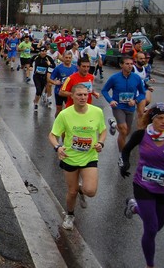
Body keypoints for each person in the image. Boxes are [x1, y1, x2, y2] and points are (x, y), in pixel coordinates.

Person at [120, 103, 164, 268]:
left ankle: (135, 207)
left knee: (158, 226)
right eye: (160, 118)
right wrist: (126, 163)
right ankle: (150, 265)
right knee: (151, 229)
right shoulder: (141, 135)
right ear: (152, 118)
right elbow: (126, 149)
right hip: (142, 185)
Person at [48, 84, 107, 230]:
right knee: (72, 191)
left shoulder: (97, 112)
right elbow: (52, 135)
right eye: (79, 95)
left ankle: (83, 190)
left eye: (85, 94)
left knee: (91, 191)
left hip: (89, 156)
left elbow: (103, 130)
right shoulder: (64, 114)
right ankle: (70, 215)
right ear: (72, 96)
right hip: (70, 157)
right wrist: (58, 147)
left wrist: (100, 142)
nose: (83, 97)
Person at [102, 55, 146, 165]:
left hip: (130, 108)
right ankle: (122, 155)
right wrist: (111, 100)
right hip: (118, 107)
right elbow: (104, 90)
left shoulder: (136, 78)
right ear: (121, 65)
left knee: (125, 133)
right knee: (123, 129)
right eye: (127, 64)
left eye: (131, 64)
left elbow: (142, 93)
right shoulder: (114, 78)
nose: (130, 66)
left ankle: (113, 125)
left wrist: (135, 101)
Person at [49, 50, 77, 118]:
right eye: (66, 57)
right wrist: (55, 82)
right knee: (59, 110)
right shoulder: (58, 68)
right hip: (59, 92)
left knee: (69, 110)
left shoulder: (75, 68)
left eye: (69, 58)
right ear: (63, 58)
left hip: (69, 92)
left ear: (71, 58)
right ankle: (57, 123)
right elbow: (50, 78)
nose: (68, 59)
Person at [30, 46, 55, 111]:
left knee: (40, 91)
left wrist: (49, 65)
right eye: (42, 51)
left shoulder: (48, 58)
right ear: (40, 52)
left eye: (45, 51)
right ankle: (36, 104)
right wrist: (31, 66)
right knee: (38, 90)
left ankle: (36, 100)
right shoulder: (36, 57)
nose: (43, 53)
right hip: (36, 76)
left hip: (44, 77)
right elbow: (31, 60)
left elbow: (53, 65)